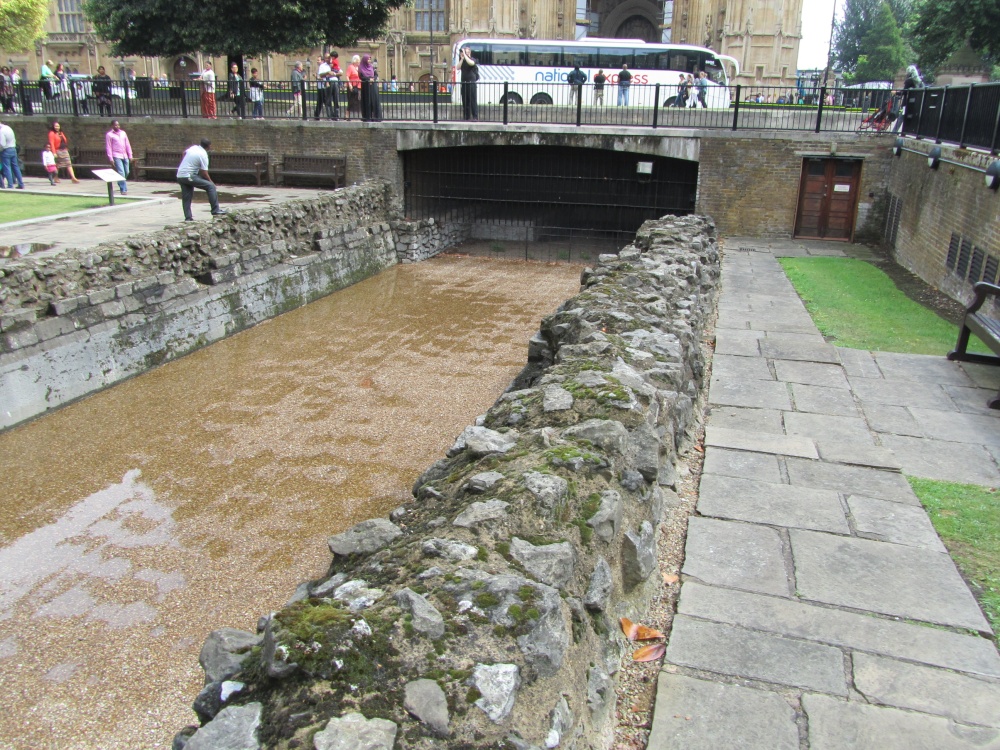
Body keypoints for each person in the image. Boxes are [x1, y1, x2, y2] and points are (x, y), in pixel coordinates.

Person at [176, 139, 226, 221]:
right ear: (209, 146)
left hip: (180, 175)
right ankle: (215, 210)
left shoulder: (194, 147)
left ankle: (188, 218)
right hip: (189, 175)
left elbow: (184, 153)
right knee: (210, 186)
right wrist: (211, 182)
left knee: (186, 197)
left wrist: (186, 163)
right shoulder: (203, 154)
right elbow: (204, 173)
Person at [892, 64, 923, 134]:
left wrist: (896, 92)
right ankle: (913, 132)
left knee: (902, 116)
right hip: (916, 103)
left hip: (907, 103)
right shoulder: (919, 81)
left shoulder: (909, 81)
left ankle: (894, 131)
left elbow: (904, 92)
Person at [105, 119, 133, 195]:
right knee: (121, 172)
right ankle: (123, 189)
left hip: (125, 155)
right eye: (115, 125)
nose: (117, 126)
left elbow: (127, 144)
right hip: (116, 155)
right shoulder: (109, 135)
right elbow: (108, 147)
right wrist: (110, 158)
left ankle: (119, 181)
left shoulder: (123, 133)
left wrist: (130, 155)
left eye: (118, 125)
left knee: (127, 172)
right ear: (112, 126)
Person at [0, 118, 25, 189]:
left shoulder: (1, 131)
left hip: (6, 150)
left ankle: (10, 185)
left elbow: (2, 144)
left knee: (7, 167)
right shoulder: (8, 128)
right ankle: (21, 184)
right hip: (13, 149)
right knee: (16, 167)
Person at [358, 54, 381, 122]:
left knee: (374, 100)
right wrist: (368, 79)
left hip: (373, 85)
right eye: (368, 59)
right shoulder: (361, 68)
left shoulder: (371, 67)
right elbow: (361, 77)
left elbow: (376, 74)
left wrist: (373, 79)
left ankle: (376, 117)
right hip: (366, 86)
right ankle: (367, 117)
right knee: (367, 101)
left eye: (370, 59)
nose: (369, 60)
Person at [459, 46, 478, 121]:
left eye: (465, 52)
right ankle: (466, 117)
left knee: (473, 100)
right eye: (463, 52)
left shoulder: (472, 59)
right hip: (464, 83)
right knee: (465, 101)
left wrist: (465, 55)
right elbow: (458, 67)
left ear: (469, 53)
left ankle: (475, 116)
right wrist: (462, 59)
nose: (463, 53)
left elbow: (471, 63)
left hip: (471, 83)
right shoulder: (463, 61)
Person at [313, 54, 333, 119]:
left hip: (324, 86)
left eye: (318, 60)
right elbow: (321, 76)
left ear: (322, 60)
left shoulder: (324, 66)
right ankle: (319, 115)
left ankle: (318, 115)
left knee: (324, 101)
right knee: (322, 102)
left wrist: (317, 77)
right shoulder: (321, 67)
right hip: (321, 86)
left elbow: (321, 77)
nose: (317, 61)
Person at [329, 52, 343, 119]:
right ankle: (332, 114)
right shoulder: (335, 61)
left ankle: (336, 114)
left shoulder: (334, 61)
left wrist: (334, 73)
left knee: (335, 99)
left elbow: (340, 72)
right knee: (330, 99)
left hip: (334, 81)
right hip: (331, 81)